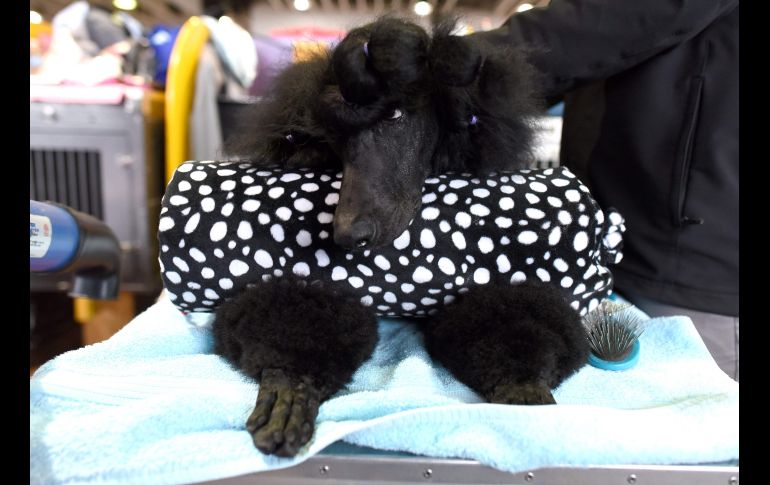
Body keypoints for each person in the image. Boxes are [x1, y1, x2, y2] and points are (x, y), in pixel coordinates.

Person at [470, 0, 738, 380]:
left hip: (687, 258)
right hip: (631, 235)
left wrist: (453, 65)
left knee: (682, 420)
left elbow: (614, 18)